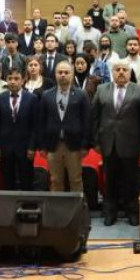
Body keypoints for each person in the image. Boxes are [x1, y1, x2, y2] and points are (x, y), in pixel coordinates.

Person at [92, 60, 140, 226]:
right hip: (108, 143)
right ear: (112, 72)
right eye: (118, 69)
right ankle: (110, 212)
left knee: (131, 180)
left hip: (131, 144)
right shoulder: (101, 90)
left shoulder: (139, 91)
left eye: (125, 70)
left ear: (130, 73)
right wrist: (95, 141)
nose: (121, 72)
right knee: (111, 180)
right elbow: (94, 117)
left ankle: (132, 212)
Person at [39, 60, 92, 193]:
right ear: (55, 74)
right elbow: (41, 121)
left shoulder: (81, 95)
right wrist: (42, 146)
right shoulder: (46, 95)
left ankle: (77, 212)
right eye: (60, 72)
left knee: (76, 180)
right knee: (55, 180)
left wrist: (85, 145)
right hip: (53, 144)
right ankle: (57, 212)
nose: (63, 75)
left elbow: (87, 121)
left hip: (74, 145)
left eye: (66, 72)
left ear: (72, 74)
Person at [0, 67, 39, 192]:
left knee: (26, 181)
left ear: (23, 80)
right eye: (10, 79)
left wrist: (32, 147)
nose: (13, 81)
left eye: (16, 79)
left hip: (25, 148)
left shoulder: (32, 99)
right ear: (6, 80)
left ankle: (27, 207)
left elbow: (35, 126)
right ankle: (8, 210)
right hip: (5, 148)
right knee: (7, 182)